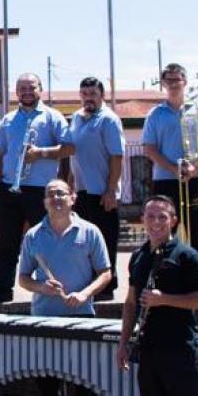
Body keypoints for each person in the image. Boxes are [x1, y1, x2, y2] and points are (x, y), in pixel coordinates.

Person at [17, 179, 112, 396]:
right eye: (51, 195)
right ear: (45, 202)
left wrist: (84, 294)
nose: (56, 198)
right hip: (43, 320)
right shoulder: (33, 235)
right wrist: (41, 287)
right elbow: (23, 279)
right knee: (46, 393)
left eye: (61, 194)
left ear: (72, 198)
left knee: (87, 389)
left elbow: (105, 273)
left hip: (82, 319)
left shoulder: (90, 231)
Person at [116, 195, 198, 396]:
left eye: (162, 216)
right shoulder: (138, 256)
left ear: (173, 221)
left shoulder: (187, 255)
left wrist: (165, 300)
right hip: (150, 351)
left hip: (182, 351)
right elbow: (131, 303)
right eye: (150, 216)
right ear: (143, 219)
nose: (156, 222)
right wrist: (123, 343)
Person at [0, 74, 72, 303]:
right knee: (7, 242)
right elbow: (1, 153)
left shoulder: (53, 117)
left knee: (44, 241)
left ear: (40, 88)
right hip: (10, 188)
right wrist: (1, 184)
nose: (27, 91)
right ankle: (2, 290)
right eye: (22, 88)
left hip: (40, 189)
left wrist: (41, 153)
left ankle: (49, 291)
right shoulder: (8, 119)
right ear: (16, 92)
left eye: (31, 87)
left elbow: (68, 148)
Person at [142, 63, 198, 288]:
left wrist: (194, 168)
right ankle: (163, 283)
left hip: (196, 180)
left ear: (185, 82)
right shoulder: (155, 115)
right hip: (166, 180)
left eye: (177, 80)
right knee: (164, 235)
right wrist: (173, 169)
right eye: (169, 80)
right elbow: (149, 148)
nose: (173, 84)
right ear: (163, 84)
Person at [69, 76, 125, 301]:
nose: (88, 98)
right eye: (84, 94)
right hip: (81, 192)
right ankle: (90, 285)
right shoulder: (76, 118)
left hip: (101, 192)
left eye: (92, 94)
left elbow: (117, 156)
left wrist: (111, 190)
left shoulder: (109, 120)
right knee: (85, 242)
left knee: (105, 241)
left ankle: (107, 287)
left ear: (101, 94)